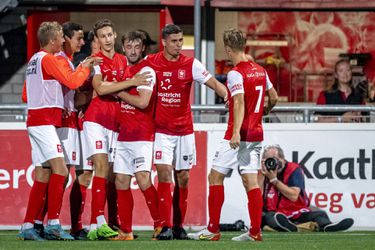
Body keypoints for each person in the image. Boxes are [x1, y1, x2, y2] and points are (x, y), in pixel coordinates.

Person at [188, 28, 278, 242]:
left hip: (237, 135)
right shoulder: (260, 70)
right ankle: (255, 231)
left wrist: (236, 132)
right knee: (251, 181)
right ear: (244, 45)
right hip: (256, 133)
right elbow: (273, 97)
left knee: (215, 176)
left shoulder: (235, 73)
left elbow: (238, 102)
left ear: (228, 49)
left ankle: (212, 230)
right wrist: (263, 112)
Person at [18, 21, 99, 241]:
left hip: (37, 120)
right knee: (61, 171)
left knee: (43, 173)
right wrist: (87, 66)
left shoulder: (34, 60)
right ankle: (53, 223)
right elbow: (72, 82)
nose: (63, 40)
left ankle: (28, 225)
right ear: (53, 40)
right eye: (61, 37)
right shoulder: (49, 59)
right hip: (45, 121)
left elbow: (26, 95)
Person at [146, 24, 228, 240]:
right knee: (164, 173)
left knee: (182, 178)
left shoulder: (191, 64)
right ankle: (164, 227)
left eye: (181, 40)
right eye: (174, 41)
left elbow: (215, 84)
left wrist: (229, 97)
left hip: (184, 131)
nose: (178, 45)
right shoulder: (151, 62)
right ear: (163, 42)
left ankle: (178, 226)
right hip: (161, 131)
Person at [82, 19, 150, 240]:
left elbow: (121, 88)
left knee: (111, 175)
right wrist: (129, 81)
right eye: (103, 36)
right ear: (98, 40)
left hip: (115, 124)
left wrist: (124, 84)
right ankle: (95, 224)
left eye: (110, 35)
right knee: (100, 166)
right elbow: (101, 88)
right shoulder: (95, 61)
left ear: (114, 35)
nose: (108, 39)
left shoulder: (122, 60)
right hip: (96, 119)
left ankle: (107, 223)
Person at [109, 30, 162, 241]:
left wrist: (118, 91)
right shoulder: (123, 70)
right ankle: (126, 231)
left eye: (137, 47)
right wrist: (123, 85)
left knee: (142, 179)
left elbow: (142, 102)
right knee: (121, 181)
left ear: (143, 48)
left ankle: (160, 225)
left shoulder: (147, 70)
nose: (132, 51)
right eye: (129, 47)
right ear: (123, 47)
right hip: (124, 135)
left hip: (142, 134)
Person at [259, 144, 354, 232]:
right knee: (269, 217)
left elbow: (293, 196)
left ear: (283, 159)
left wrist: (274, 180)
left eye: (274, 159)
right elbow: (257, 196)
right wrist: (262, 175)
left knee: (319, 214)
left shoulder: (293, 169)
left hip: (296, 212)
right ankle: (287, 226)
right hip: (275, 214)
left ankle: (327, 226)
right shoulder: (262, 173)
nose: (272, 163)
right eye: (268, 160)